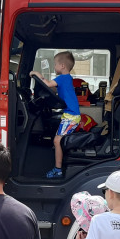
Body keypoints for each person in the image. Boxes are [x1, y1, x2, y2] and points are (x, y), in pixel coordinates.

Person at [29, 51, 80, 179]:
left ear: (62, 66)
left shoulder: (63, 78)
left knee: (57, 141)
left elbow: (47, 84)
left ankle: (58, 169)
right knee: (57, 140)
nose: (54, 67)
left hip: (71, 116)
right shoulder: (66, 79)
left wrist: (36, 74)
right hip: (69, 115)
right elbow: (51, 89)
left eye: (55, 64)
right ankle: (58, 164)